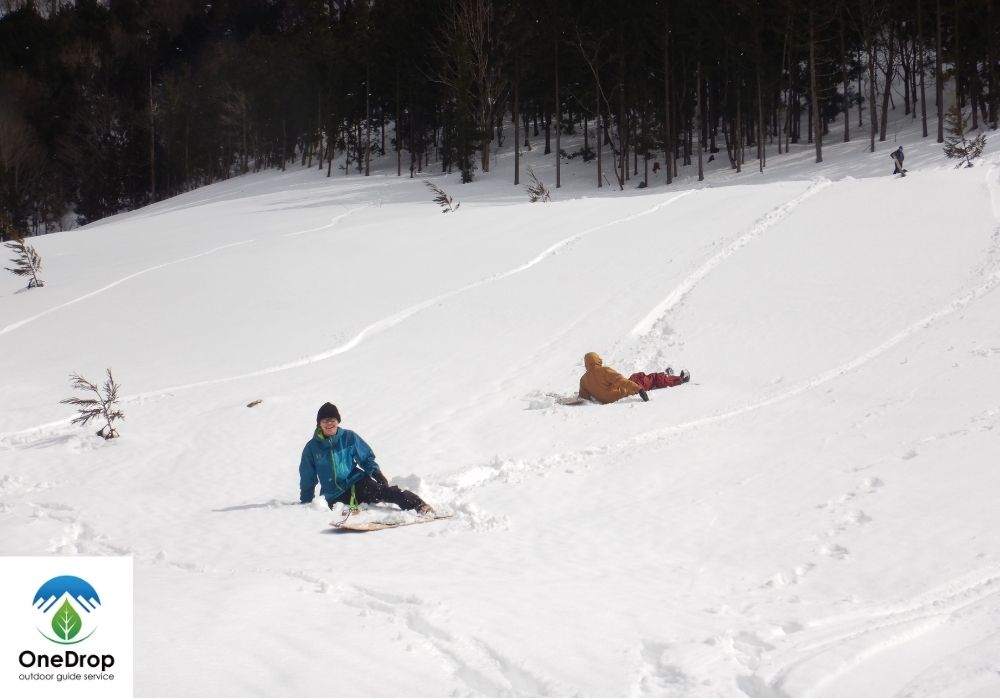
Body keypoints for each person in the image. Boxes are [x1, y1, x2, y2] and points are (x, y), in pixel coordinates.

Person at [299, 402, 433, 515]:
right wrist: (306, 502)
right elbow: (307, 477)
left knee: (385, 492)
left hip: (357, 483)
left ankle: (420, 506)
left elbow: (365, 457)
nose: (329, 424)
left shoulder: (349, 437)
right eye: (325, 421)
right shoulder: (311, 448)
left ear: (338, 421)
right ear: (319, 424)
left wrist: (376, 473)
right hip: (333, 495)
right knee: (340, 513)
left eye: (332, 420)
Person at [578, 352, 690, 404]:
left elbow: (583, 397)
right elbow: (620, 381)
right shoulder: (604, 370)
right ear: (598, 360)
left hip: (611, 395)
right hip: (623, 392)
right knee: (652, 378)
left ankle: (665, 375)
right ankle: (680, 379)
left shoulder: (583, 380)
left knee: (635, 376)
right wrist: (639, 389)